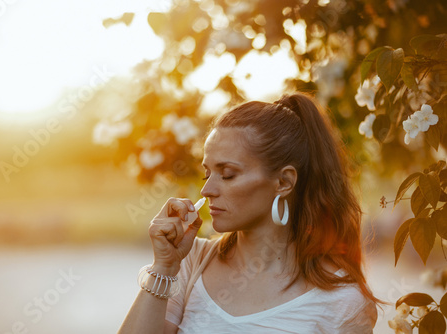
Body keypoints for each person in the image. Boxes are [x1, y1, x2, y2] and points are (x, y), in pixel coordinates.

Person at [118, 93, 379, 333]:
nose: (206, 190)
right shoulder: (190, 262)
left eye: (227, 175)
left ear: (283, 182)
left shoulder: (343, 302)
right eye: (206, 174)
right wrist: (164, 266)